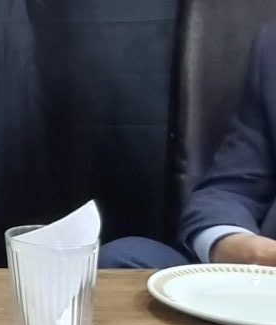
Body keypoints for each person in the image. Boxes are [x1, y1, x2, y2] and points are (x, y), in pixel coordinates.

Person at [103, 23, 276, 269]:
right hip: (262, 276)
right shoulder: (271, 47)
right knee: (120, 258)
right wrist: (246, 251)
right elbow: (235, 189)